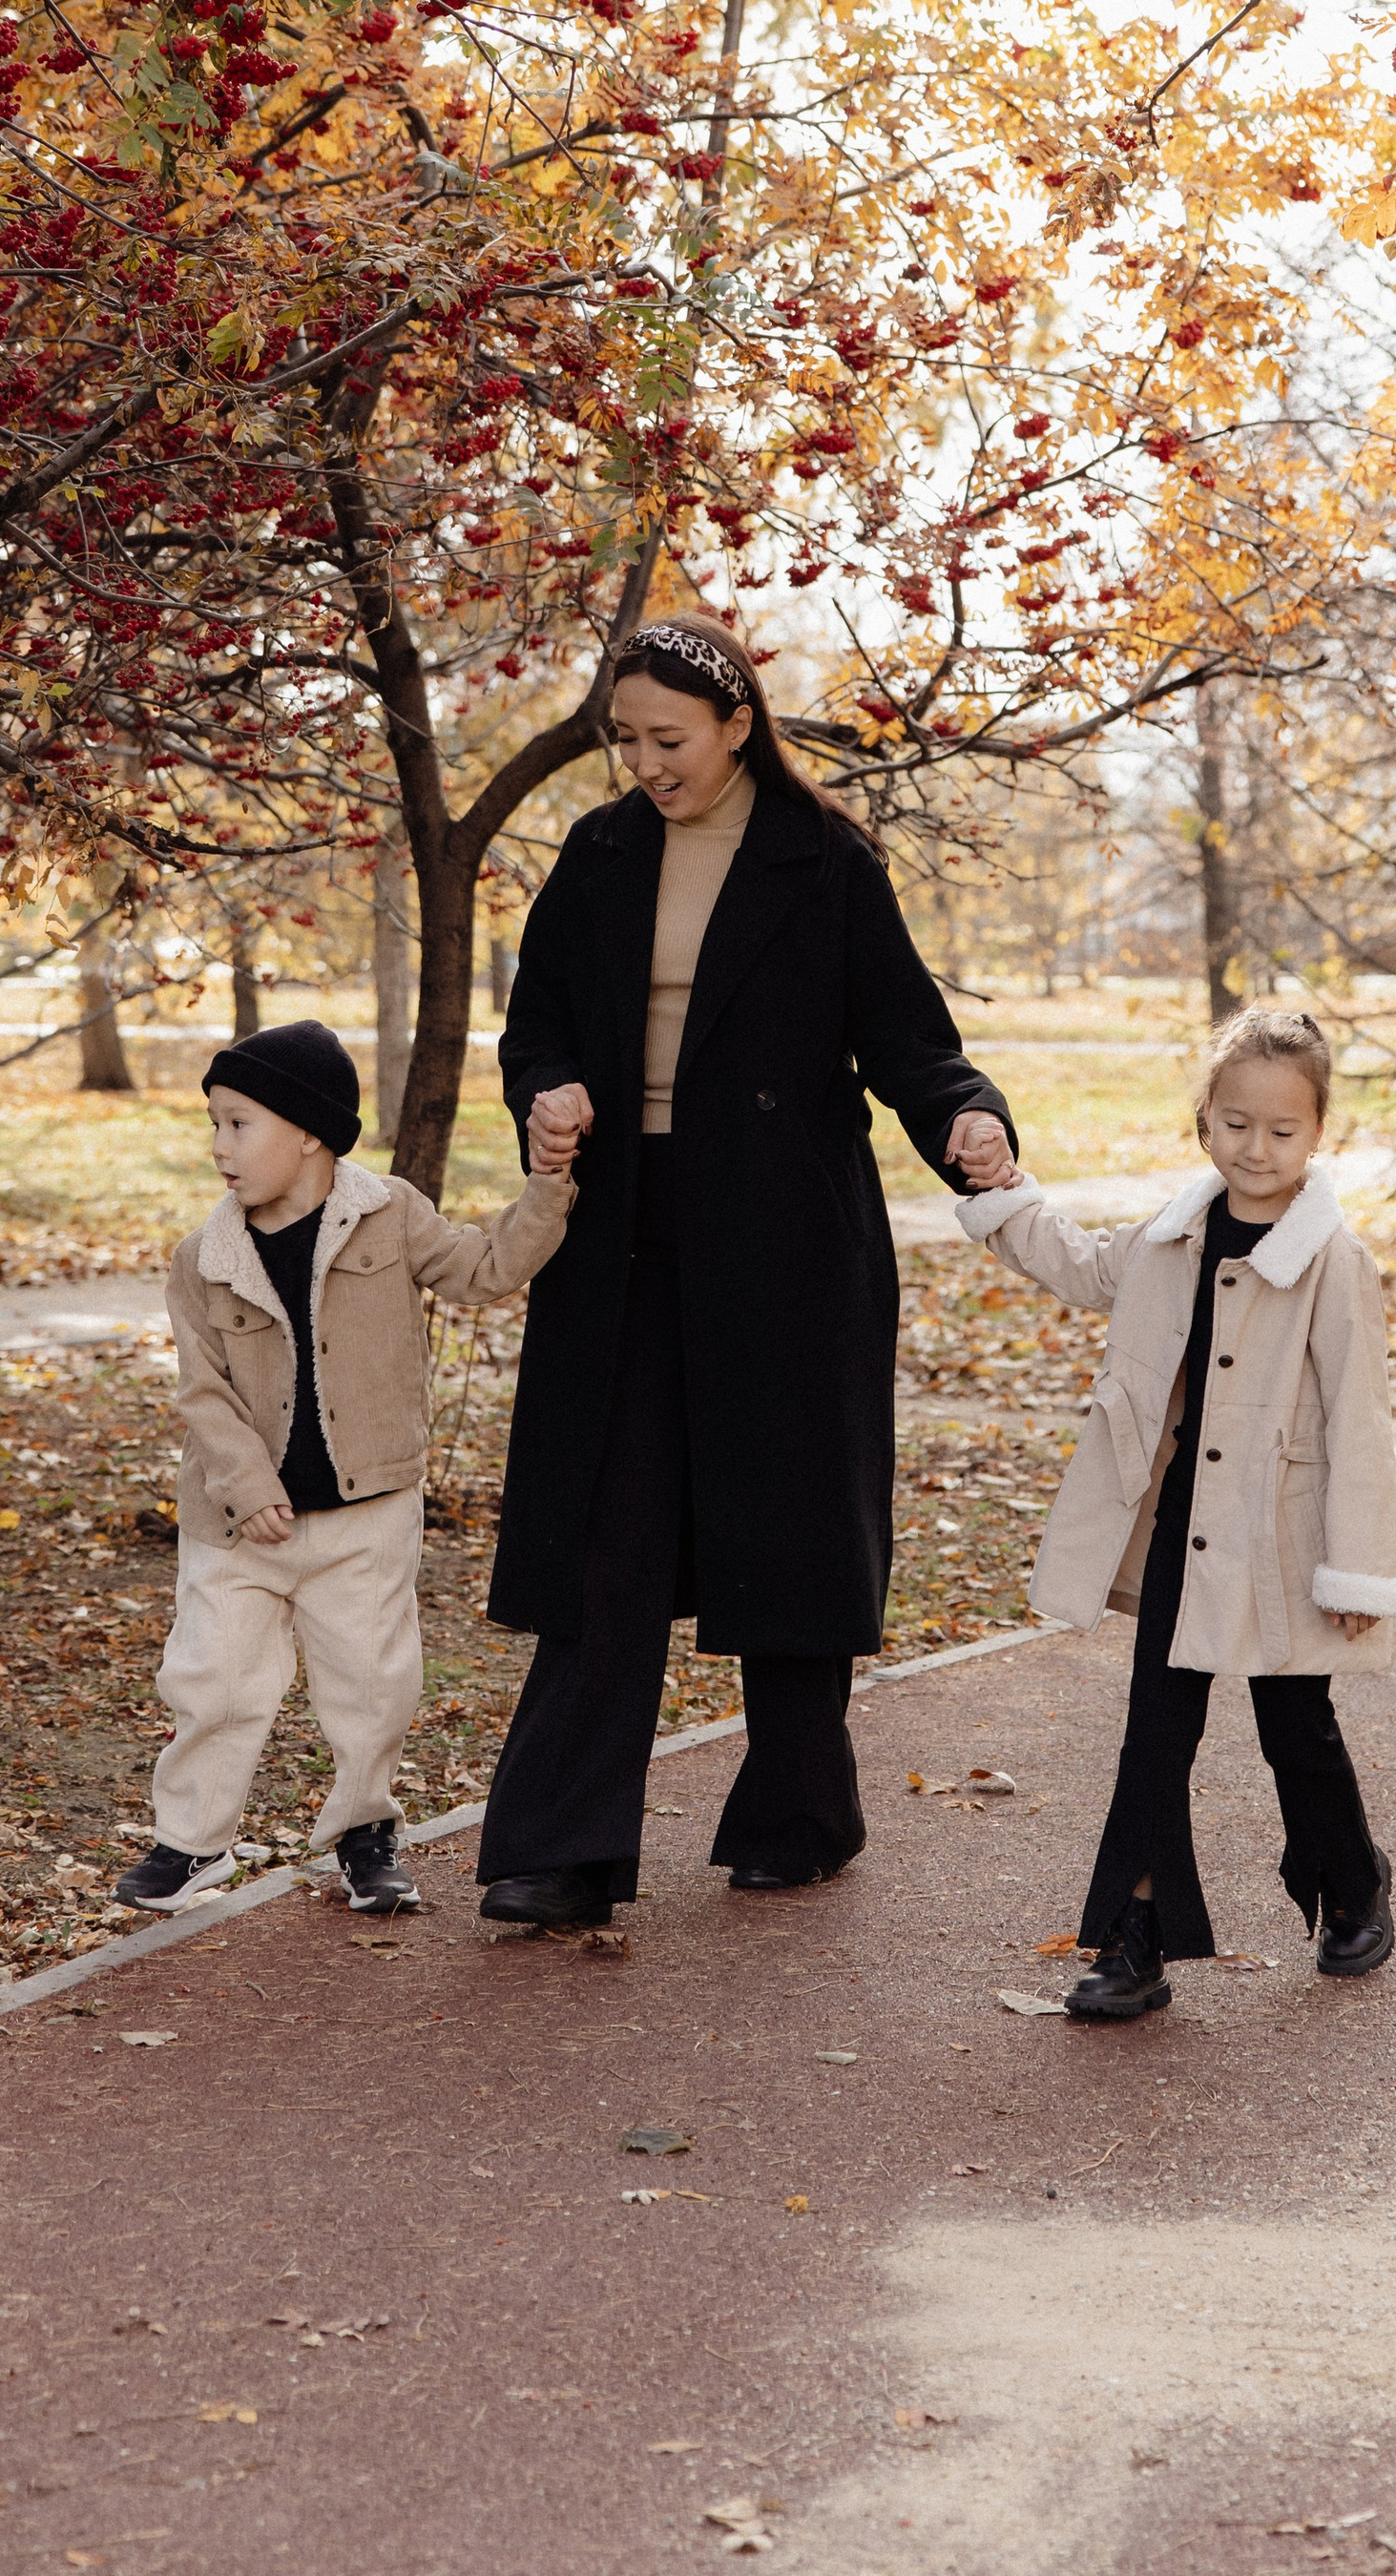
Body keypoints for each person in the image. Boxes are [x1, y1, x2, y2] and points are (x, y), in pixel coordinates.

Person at [476, 611, 1017, 1929]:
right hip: (621, 1244)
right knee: (607, 1533)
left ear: (735, 726)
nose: (645, 763)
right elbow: (535, 1024)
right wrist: (546, 1090)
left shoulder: (820, 861)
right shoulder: (601, 853)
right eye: (626, 740)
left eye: (669, 739)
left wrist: (971, 1119)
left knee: (786, 1540)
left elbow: (908, 1038)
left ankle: (798, 1814)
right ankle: (559, 1845)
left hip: (782, 1243)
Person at [957, 1003, 1396, 2019]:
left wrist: (1358, 1567)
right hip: (1177, 1533)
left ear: (1317, 1135)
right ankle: (1133, 1938)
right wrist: (1002, 1195)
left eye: (1282, 1130)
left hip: (1278, 1543)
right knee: (1154, 1739)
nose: (1257, 1148)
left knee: (1297, 1730)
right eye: (1235, 1123)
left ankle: (1353, 1884)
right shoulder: (1172, 1238)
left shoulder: (1334, 1265)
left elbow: (1360, 1428)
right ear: (1204, 1121)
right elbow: (1080, 1266)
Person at [121, 1017, 576, 1919]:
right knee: (210, 1677)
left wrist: (549, 1187)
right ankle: (191, 1842)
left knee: (372, 1682)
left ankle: (364, 1833)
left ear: (310, 1131)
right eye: (212, 1123)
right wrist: (247, 1489)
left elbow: (484, 1269)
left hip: (367, 1512)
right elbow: (203, 1394)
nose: (219, 1147)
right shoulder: (201, 1260)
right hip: (238, 1526)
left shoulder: (391, 1213)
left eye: (238, 1123)